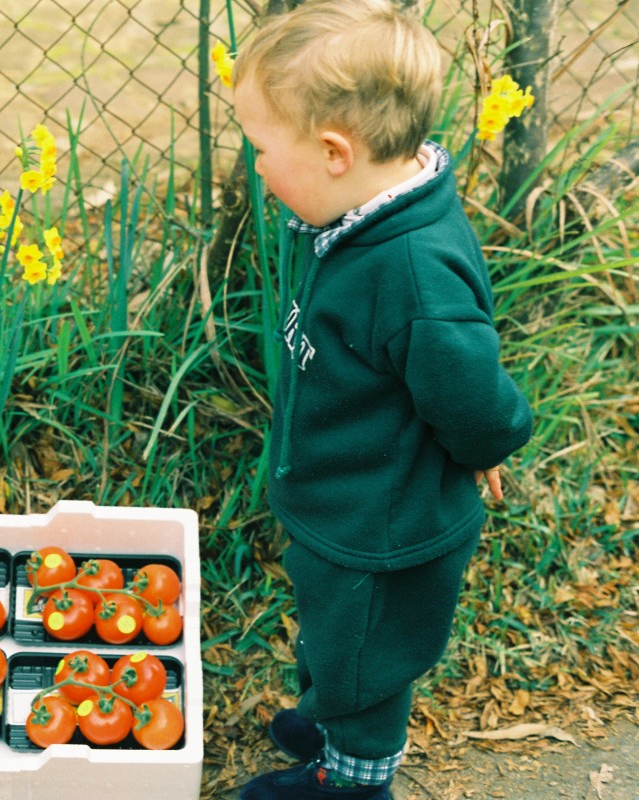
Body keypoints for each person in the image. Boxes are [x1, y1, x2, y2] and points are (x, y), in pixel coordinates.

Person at [227, 1, 533, 797]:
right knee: (336, 634)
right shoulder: (359, 218)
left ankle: (353, 776)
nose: (256, 167)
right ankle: (331, 716)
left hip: (384, 527)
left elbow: (469, 390)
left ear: (334, 152)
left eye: (261, 149)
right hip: (345, 499)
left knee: (367, 655)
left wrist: (488, 445)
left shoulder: (412, 272)